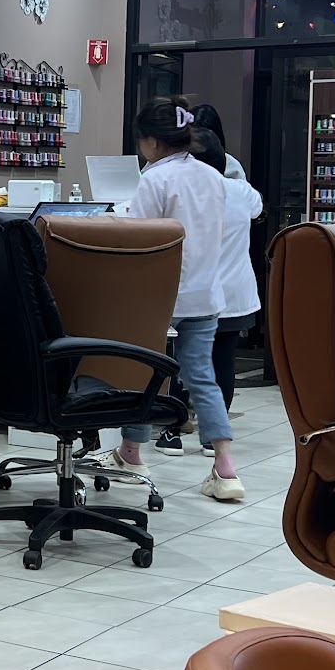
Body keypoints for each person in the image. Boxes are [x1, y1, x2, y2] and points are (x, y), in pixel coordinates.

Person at [110, 96, 244, 501]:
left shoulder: (155, 179)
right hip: (205, 294)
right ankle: (225, 468)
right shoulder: (212, 176)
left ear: (151, 142)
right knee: (202, 377)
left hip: (160, 296)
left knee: (140, 374)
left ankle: (132, 453)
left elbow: (141, 239)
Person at [194, 129, 264, 430]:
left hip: (195, 294)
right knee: (223, 360)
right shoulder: (241, 191)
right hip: (233, 293)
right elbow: (257, 208)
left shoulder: (183, 192)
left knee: (186, 360)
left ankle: (175, 427)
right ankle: (215, 431)